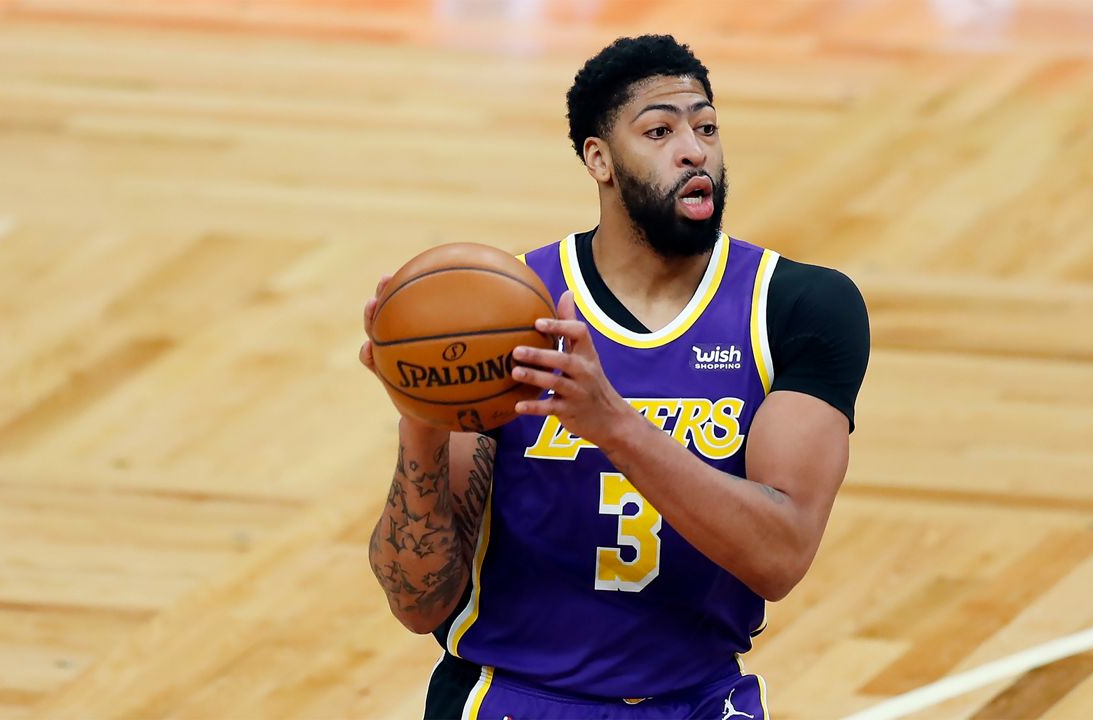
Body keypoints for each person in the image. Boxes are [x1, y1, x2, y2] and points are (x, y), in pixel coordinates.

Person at [360, 34, 870, 720]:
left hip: (698, 701)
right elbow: (418, 603)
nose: (694, 149)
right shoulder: (507, 315)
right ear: (598, 158)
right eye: (660, 130)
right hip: (511, 701)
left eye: (706, 126)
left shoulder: (795, 307)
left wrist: (614, 425)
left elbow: (779, 558)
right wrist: (420, 416)